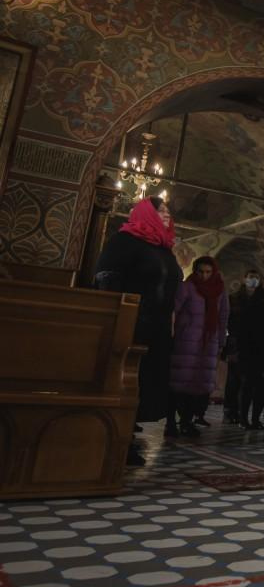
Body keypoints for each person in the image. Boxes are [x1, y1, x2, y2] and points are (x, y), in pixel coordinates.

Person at [93, 196, 181, 467]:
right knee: (122, 378)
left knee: (144, 381)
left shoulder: (164, 248)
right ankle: (113, 438)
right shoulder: (125, 241)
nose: (166, 214)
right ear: (145, 213)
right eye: (160, 210)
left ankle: (126, 435)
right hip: (130, 324)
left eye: (167, 210)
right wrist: (120, 317)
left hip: (156, 326)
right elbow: (106, 278)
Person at [167, 257, 229, 439]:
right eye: (201, 272)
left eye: (208, 272)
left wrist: (221, 341)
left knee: (197, 386)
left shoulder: (220, 291)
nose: (204, 275)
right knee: (177, 384)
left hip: (207, 344)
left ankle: (187, 421)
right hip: (185, 341)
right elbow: (175, 310)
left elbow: (223, 316)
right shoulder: (187, 287)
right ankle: (171, 422)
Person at [223, 267, 261, 422]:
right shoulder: (234, 298)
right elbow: (228, 319)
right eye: (251, 277)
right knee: (233, 379)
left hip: (253, 344)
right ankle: (230, 410)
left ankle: (242, 411)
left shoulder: (260, 299)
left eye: (256, 278)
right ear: (245, 278)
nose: (253, 280)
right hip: (236, 341)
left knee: (249, 379)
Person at [239, 275, 264, 428]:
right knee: (248, 386)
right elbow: (245, 330)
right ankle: (243, 418)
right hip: (252, 351)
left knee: (263, 388)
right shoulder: (252, 306)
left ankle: (255, 418)